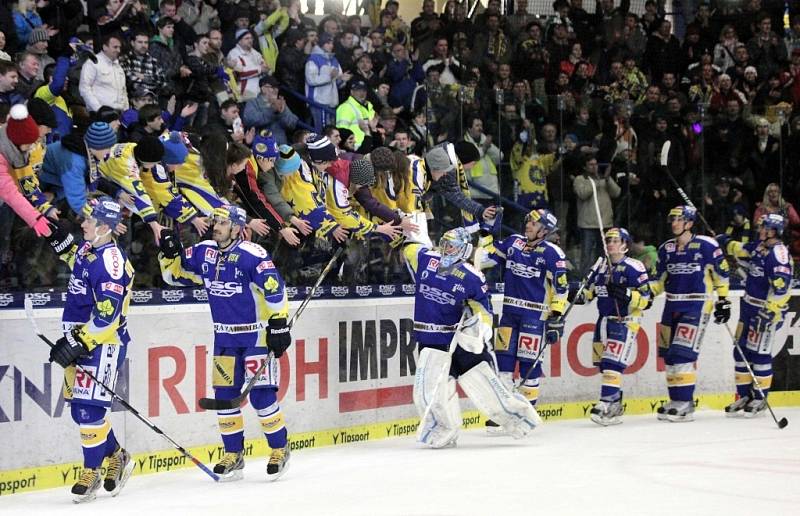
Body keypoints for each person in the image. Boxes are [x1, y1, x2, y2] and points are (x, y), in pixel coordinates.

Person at [158, 204, 292, 481]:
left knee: (261, 396)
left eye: (222, 222)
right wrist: (168, 254)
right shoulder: (203, 251)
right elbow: (174, 276)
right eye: (215, 221)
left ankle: (279, 448)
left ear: (237, 228)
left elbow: (274, 289)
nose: (215, 226)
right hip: (224, 338)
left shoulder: (253, 255)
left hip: (254, 336)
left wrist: (278, 323)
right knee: (224, 397)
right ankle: (233, 453)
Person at [402, 226, 540, 448]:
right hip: (430, 341)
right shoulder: (425, 258)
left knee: (486, 387)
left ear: (464, 250)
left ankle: (520, 418)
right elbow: (407, 246)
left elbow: (484, 309)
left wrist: (482, 329)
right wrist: (402, 226)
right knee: (430, 392)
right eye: (445, 243)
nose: (447, 249)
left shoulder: (472, 277)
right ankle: (443, 430)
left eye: (453, 246)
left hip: (461, 344)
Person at [44, 196, 135, 502]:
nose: (83, 224)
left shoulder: (111, 264)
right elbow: (80, 266)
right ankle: (117, 456)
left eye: (89, 221)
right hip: (80, 337)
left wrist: (77, 342)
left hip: (103, 343)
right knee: (81, 411)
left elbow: (107, 318)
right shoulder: (89, 247)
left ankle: (91, 471)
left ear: (105, 228)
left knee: (89, 410)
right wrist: (61, 243)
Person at [479, 208, 568, 429]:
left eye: (534, 224)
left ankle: (527, 412)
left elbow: (562, 288)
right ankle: (503, 413)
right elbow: (485, 258)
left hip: (534, 316)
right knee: (505, 364)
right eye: (528, 221)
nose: (528, 225)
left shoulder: (552, 253)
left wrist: (556, 317)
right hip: (510, 313)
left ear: (544, 231)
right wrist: (486, 230)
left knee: (529, 365)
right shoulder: (513, 243)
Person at [649, 206, 730, 422]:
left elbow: (722, 275)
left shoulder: (707, 245)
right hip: (671, 305)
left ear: (690, 223)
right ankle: (676, 400)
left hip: (696, 305)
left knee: (683, 353)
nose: (674, 223)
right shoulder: (665, 249)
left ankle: (686, 403)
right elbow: (658, 280)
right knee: (669, 356)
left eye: (679, 219)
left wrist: (724, 301)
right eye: (672, 219)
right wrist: (646, 293)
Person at [718, 214, 793, 417]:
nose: (760, 230)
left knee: (759, 356)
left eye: (764, 228)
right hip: (748, 308)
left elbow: (783, 289)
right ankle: (744, 395)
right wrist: (725, 241)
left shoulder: (779, 255)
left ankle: (760, 398)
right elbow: (741, 250)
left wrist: (769, 312)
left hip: (764, 312)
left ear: (773, 231)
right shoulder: (760, 247)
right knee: (740, 352)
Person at [576, 227, 652, 426]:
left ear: (625, 245)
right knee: (604, 365)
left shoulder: (634, 267)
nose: (610, 243)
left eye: (615, 240)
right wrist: (576, 295)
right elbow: (589, 293)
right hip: (603, 321)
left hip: (624, 321)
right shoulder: (600, 266)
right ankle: (616, 405)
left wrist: (627, 295)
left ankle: (606, 403)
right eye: (608, 240)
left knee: (612, 363)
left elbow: (647, 299)